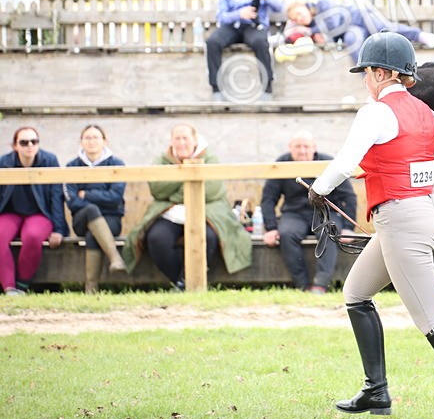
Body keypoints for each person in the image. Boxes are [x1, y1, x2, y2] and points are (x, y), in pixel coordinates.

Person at [308, 31, 434, 419]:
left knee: (433, 321)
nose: (365, 81)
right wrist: (431, 203)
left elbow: (346, 161)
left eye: (367, 72)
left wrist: (318, 189)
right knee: (356, 294)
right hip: (414, 217)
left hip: (401, 221)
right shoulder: (426, 112)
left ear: (381, 73)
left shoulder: (375, 113)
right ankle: (376, 390)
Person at [122, 124, 251, 290]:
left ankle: (187, 283)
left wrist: (174, 191)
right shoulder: (161, 160)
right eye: (177, 138)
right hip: (170, 212)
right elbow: (157, 189)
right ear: (171, 141)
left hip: (206, 211)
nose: (181, 143)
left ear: (194, 139)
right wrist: (187, 179)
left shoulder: (209, 158)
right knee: (156, 239)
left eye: (185, 138)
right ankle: (182, 282)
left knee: (209, 237)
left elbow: (210, 190)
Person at [261, 131, 358, 294]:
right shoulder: (281, 164)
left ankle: (321, 284)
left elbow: (348, 196)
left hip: (325, 212)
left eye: (306, 146)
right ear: (290, 147)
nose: (302, 151)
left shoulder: (329, 163)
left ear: (314, 147)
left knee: (329, 231)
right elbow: (268, 198)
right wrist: (270, 228)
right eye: (298, 146)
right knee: (286, 234)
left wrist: (348, 227)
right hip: (294, 213)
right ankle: (302, 285)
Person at [206, 0, 282, 102]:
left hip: (254, 27)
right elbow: (221, 16)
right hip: (232, 27)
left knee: (261, 42)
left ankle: (267, 89)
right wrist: (239, 14)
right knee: (212, 42)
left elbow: (279, 7)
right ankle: (217, 90)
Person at [0, 127, 67, 295]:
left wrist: (59, 229)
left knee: (33, 236)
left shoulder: (49, 160)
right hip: (10, 213)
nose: (30, 145)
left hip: (39, 214)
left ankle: (22, 285)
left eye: (34, 141)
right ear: (15, 146)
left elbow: (56, 196)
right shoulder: (4, 162)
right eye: (24, 142)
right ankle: (9, 287)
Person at [65, 124, 128, 293]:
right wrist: (99, 199)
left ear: (104, 141)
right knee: (91, 210)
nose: (91, 141)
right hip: (81, 220)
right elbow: (72, 201)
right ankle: (115, 258)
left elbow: (115, 198)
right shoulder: (72, 166)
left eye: (96, 137)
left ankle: (90, 289)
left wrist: (86, 194)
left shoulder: (116, 164)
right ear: (81, 142)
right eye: (87, 138)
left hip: (111, 219)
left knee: (92, 235)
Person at [285, 0, 434, 65]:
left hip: (361, 16)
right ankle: (368, 77)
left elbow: (335, 23)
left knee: (383, 29)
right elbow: (335, 37)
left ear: (304, 7)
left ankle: (419, 35)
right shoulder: (313, 29)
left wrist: (318, 33)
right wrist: (325, 40)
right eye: (295, 19)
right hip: (352, 29)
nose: (299, 18)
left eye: (298, 13)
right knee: (351, 40)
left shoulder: (322, 4)